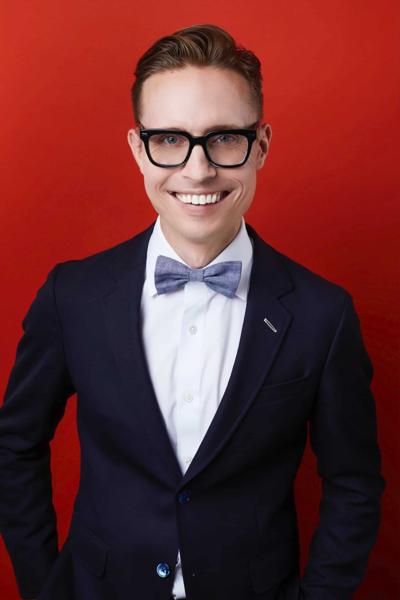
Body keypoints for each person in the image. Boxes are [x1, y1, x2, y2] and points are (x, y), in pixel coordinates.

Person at [0, 23, 384, 600]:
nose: (198, 169)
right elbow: (14, 446)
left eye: (224, 138)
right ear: (138, 149)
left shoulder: (323, 315)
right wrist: (45, 588)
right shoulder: (71, 295)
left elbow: (354, 483)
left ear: (261, 145)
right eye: (169, 139)